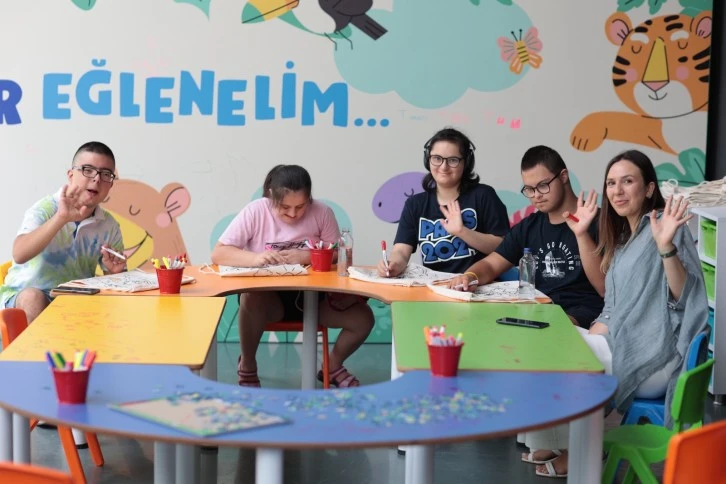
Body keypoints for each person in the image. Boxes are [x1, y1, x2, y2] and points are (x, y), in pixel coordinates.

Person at [526, 150, 709, 479]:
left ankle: (579, 452)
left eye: (628, 181)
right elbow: (608, 296)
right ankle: (562, 443)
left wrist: (666, 247)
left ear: (649, 189)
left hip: (654, 356)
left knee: (566, 354)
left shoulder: (665, 228)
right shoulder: (625, 237)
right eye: (611, 183)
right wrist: (581, 234)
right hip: (623, 343)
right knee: (549, 339)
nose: (617, 190)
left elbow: (683, 295)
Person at [211, 164, 374, 388]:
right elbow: (219, 253)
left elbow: (339, 254)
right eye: (285, 207)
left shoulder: (322, 212)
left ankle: (333, 365)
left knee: (363, 319)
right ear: (271, 196)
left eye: (301, 206)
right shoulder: (256, 211)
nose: (293, 214)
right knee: (250, 297)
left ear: (310, 198)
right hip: (267, 302)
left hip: (315, 300)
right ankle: (247, 363)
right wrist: (255, 258)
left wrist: (306, 255)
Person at [448, 145, 605, 328]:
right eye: (529, 189)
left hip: (584, 312)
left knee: (554, 328)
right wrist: (469, 276)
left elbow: (605, 289)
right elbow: (491, 264)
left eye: (543, 186)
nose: (536, 195)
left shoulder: (601, 222)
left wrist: (582, 234)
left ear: (563, 176)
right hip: (541, 310)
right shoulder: (529, 226)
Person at [0, 142, 126, 323]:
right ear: (71, 175)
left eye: (106, 174)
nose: (97, 179)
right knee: (33, 297)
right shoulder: (45, 209)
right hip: (22, 298)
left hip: (74, 301)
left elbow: (115, 288)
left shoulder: (109, 225)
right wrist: (61, 218)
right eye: (88, 170)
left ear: (111, 184)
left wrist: (114, 273)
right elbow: (19, 254)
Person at [376, 127, 510, 277]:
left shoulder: (483, 195)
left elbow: (504, 247)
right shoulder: (415, 204)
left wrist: (462, 232)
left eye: (452, 160)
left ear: (466, 162)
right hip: (433, 285)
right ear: (428, 159)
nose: (443, 167)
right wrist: (394, 264)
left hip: (476, 283)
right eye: (437, 158)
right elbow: (401, 250)